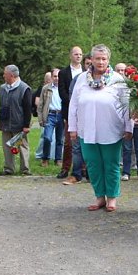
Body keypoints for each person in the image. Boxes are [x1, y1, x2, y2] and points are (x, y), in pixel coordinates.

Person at [68, 45, 132, 212]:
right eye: (97, 58)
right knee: (93, 164)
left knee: (110, 164)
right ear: (92, 60)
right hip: (86, 130)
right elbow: (73, 104)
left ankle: (111, 198)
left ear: (108, 60)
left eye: (104, 59)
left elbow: (127, 105)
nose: (101, 62)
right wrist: (72, 128)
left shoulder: (118, 79)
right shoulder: (82, 79)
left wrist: (129, 127)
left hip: (111, 129)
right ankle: (99, 197)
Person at [0, 64, 33, 175]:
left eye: (5, 73)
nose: (3, 75)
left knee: (22, 147)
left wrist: (26, 125)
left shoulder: (24, 88)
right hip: (6, 123)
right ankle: (9, 168)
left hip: (19, 124)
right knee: (7, 147)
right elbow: (1, 106)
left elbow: (28, 108)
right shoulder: (3, 88)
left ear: (11, 75)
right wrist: (0, 121)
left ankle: (25, 169)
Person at [58, 46, 84, 179]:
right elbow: (62, 93)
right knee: (69, 141)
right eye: (76, 54)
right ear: (70, 56)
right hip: (69, 111)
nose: (78, 56)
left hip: (85, 111)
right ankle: (65, 168)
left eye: (80, 54)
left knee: (84, 140)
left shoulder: (87, 71)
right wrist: (74, 103)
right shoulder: (63, 73)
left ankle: (83, 169)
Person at [39, 68, 64, 167]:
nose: (57, 78)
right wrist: (41, 118)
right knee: (47, 138)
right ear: (52, 77)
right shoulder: (46, 88)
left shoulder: (63, 88)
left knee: (60, 139)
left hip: (61, 115)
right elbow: (41, 104)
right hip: (50, 115)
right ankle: (45, 158)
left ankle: (58, 159)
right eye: (55, 76)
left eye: (59, 76)